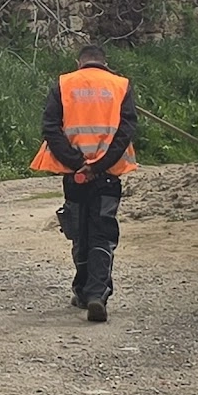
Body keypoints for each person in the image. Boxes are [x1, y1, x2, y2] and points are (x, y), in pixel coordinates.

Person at [31, 44, 135, 322]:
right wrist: (97, 166)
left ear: (79, 62)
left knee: (79, 231)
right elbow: (125, 132)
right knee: (102, 232)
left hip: (74, 175)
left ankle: (82, 290)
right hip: (107, 174)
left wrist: (77, 163)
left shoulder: (64, 84)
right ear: (104, 62)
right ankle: (96, 293)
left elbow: (50, 127)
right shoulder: (121, 85)